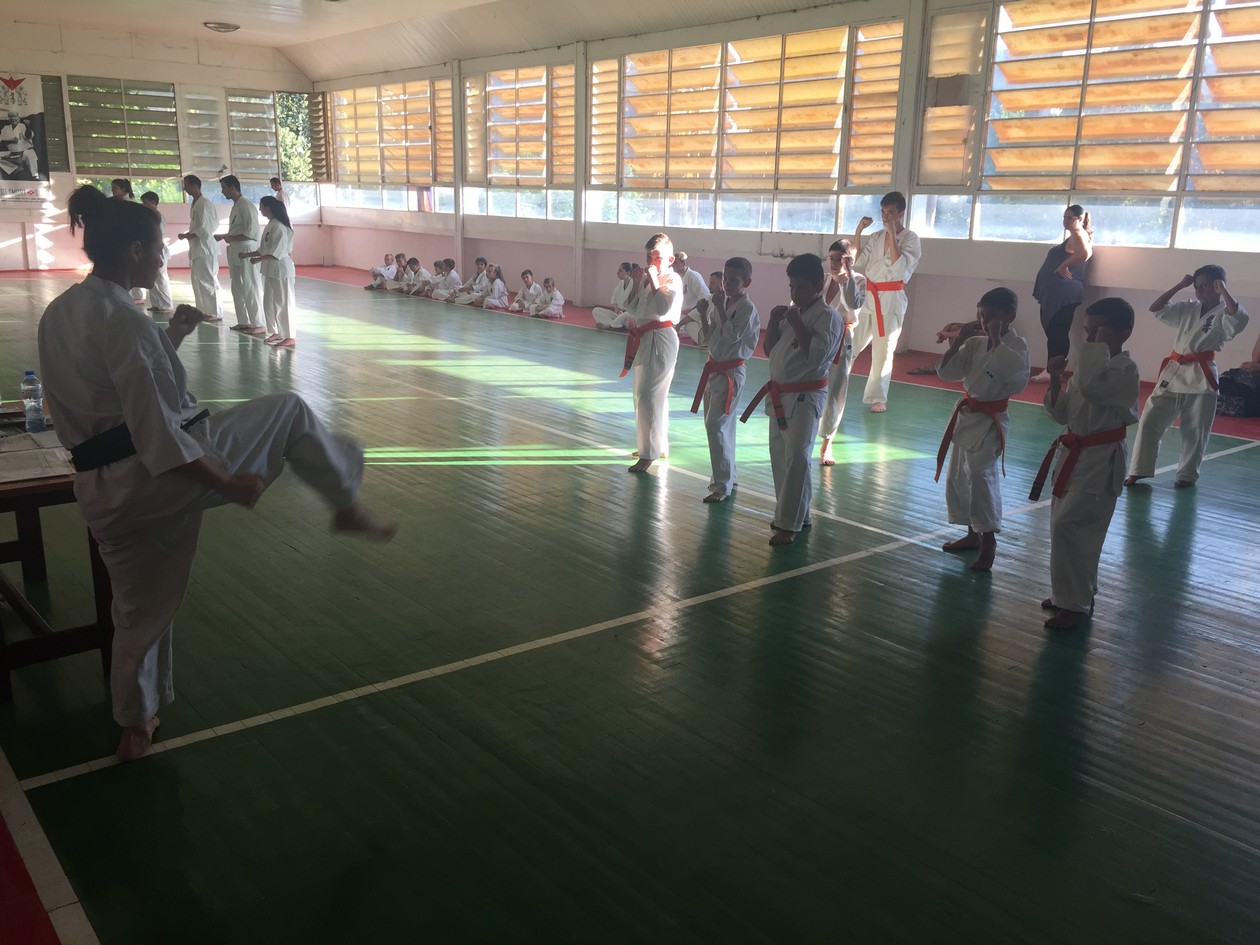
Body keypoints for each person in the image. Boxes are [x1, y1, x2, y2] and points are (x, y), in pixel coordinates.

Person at [39, 185, 395, 762]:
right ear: (133, 250)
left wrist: (174, 336)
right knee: (290, 411)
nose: (164, 256)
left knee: (138, 611)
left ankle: (136, 726)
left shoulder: (61, 313)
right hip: (159, 474)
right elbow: (155, 429)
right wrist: (224, 483)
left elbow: (119, 394)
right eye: (158, 247)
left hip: (103, 492)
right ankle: (346, 504)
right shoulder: (124, 320)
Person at [1032, 298, 1140, 630]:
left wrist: (1095, 348)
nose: (1090, 337)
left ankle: (1075, 604)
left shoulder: (1125, 369)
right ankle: (1069, 594)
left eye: (1099, 330)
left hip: (1100, 460)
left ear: (1124, 332)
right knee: (1062, 527)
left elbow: (1094, 388)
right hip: (1074, 453)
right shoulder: (1090, 365)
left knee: (1076, 530)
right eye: (1087, 330)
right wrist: (1055, 378)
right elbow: (1063, 413)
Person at [740, 253, 842, 545]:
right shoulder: (793, 312)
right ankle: (800, 514)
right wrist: (775, 321)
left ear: (818, 285)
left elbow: (818, 355)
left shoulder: (828, 317)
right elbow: (770, 350)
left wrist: (796, 322)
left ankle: (789, 523)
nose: (795, 293)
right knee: (781, 457)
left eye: (801, 287)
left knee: (798, 457)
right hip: (780, 393)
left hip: (805, 396)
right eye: (791, 286)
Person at [933, 287, 1030, 572]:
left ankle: (989, 541)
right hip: (967, 416)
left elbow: (1015, 379)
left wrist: (997, 339)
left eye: (991, 315)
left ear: (1010, 316)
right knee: (959, 476)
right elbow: (947, 373)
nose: (985, 320)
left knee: (980, 475)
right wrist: (958, 341)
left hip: (991, 419)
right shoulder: (975, 343)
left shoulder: (1017, 345)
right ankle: (973, 534)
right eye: (982, 315)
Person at [1125, 266, 1249, 488]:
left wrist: (1224, 291)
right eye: (1197, 287)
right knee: (1150, 420)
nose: (1199, 291)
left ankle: (1187, 475)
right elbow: (1156, 308)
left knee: (1196, 430)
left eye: (1205, 286)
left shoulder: (1224, 311)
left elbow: (1237, 318)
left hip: (1201, 374)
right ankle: (1138, 469)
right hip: (1174, 371)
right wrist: (1180, 285)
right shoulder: (1189, 308)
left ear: (1218, 286)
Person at [690, 256, 760, 503]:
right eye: (725, 278)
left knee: (716, 425)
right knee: (721, 425)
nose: (727, 284)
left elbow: (731, 338)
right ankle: (730, 476)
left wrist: (718, 308)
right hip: (714, 370)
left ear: (746, 282)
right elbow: (709, 339)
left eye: (734, 280)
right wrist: (703, 314)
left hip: (731, 372)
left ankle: (721, 485)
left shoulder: (747, 309)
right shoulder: (723, 302)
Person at [852, 191, 922, 412]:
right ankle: (835, 380)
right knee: (850, 342)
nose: (885, 216)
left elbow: (899, 268)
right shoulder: (875, 237)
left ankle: (877, 397)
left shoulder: (911, 239)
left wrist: (892, 234)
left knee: (883, 350)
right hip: (869, 295)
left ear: (901, 213)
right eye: (883, 211)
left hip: (892, 297)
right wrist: (859, 230)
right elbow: (857, 260)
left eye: (891, 212)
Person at [622, 233, 682, 474]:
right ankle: (654, 446)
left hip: (661, 338)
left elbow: (662, 307)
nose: (651, 262)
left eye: (657, 258)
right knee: (642, 395)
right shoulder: (648, 279)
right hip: (645, 338)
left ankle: (649, 454)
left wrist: (654, 279)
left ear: (670, 259)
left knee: (649, 395)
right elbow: (631, 308)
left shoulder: (673, 279)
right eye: (648, 257)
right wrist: (638, 282)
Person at [818, 239, 866, 466]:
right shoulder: (823, 279)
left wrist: (847, 279)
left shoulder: (859, 281)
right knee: (811, 385)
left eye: (840, 260)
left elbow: (853, 305)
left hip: (841, 339)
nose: (834, 263)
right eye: (832, 259)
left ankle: (827, 443)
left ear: (850, 261)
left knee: (835, 392)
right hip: (817, 337)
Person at [1030, 205, 1093, 381]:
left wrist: (1062, 266)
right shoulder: (1075, 236)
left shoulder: (1078, 235)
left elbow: (1084, 254)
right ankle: (1053, 368)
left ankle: (1053, 369)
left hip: (1062, 294)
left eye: (1070, 218)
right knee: (1054, 331)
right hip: (1057, 292)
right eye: (1064, 217)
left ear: (1079, 219)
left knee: (1057, 331)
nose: (1065, 221)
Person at [241, 196, 298, 347]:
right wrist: (247, 255)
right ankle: (277, 331)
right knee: (270, 302)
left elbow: (276, 253)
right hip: (270, 269)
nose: (260, 209)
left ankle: (289, 335)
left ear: (268, 208)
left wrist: (257, 260)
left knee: (283, 302)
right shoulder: (271, 225)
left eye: (261, 206)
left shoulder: (279, 226)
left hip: (281, 269)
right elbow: (263, 249)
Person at [215, 175, 264, 336]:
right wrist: (226, 236)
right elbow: (238, 231)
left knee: (250, 285)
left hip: (246, 250)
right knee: (237, 287)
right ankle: (244, 321)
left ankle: (258, 323)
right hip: (235, 249)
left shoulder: (246, 205)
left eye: (224, 188)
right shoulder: (236, 205)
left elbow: (251, 233)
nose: (222, 191)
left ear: (232, 187)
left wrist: (227, 237)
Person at [176, 175, 223, 320]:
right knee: (198, 281)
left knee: (208, 280)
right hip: (198, 248)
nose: (184, 188)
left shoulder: (204, 204)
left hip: (206, 248)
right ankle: (203, 310)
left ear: (195, 186)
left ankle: (214, 312)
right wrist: (188, 235)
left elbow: (206, 227)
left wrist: (188, 235)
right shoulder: (196, 203)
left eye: (186, 185)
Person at [111, 180, 147, 305]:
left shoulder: (132, 204)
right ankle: (124, 293)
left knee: (134, 267)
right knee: (122, 269)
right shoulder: (114, 204)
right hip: (119, 240)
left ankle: (139, 296)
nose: (113, 191)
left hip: (132, 240)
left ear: (124, 189)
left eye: (115, 188)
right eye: (112, 188)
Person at [139, 192, 173, 314]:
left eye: (145, 202)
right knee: (152, 276)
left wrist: (157, 252)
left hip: (158, 249)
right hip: (150, 248)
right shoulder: (149, 215)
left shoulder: (157, 216)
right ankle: (157, 304)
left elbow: (159, 235)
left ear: (153, 202)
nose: (143, 205)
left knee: (161, 278)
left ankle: (166, 305)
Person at [673, 251, 712, 342]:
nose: (672, 265)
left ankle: (704, 342)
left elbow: (705, 300)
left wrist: (690, 311)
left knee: (689, 326)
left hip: (694, 317)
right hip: (680, 316)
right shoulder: (675, 278)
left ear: (683, 263)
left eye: (675, 263)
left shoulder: (694, 277)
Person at [592, 262, 635, 330]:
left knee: (627, 315)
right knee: (596, 310)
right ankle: (616, 325)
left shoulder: (634, 284)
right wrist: (616, 308)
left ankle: (609, 326)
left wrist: (624, 311)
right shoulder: (621, 283)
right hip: (619, 315)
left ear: (628, 273)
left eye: (620, 271)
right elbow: (614, 297)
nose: (617, 273)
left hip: (628, 316)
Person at [0, 110, 37, 179]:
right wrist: (11, 140)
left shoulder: (23, 126)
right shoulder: (5, 128)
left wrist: (27, 126)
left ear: (18, 117)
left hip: (24, 153)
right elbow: (1, 140)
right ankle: (15, 168)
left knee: (29, 153)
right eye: (11, 116)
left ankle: (34, 175)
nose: (13, 118)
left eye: (15, 116)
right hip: (12, 154)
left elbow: (28, 136)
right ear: (8, 118)